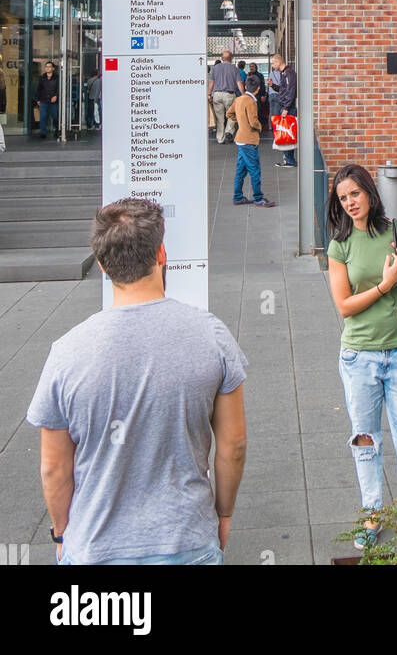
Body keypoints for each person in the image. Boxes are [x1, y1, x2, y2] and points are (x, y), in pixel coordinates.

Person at [26, 198, 248, 565]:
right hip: (187, 540)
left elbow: (54, 467)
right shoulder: (212, 337)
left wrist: (62, 532)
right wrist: (223, 515)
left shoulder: (65, 353)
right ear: (161, 253)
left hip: (95, 548)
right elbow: (233, 445)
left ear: (101, 265)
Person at [327, 163, 397, 549]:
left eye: (354, 194)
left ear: (369, 193)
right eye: (343, 198)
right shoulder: (339, 245)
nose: (350, 203)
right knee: (366, 439)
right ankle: (371, 515)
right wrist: (385, 285)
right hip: (359, 357)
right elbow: (344, 306)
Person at [231, 75, 275, 207]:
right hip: (249, 140)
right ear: (258, 88)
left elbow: (229, 113)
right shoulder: (251, 102)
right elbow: (253, 122)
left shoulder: (239, 99)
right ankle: (258, 198)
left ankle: (237, 197)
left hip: (240, 139)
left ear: (245, 86)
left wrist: (240, 122)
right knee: (255, 169)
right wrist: (260, 127)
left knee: (241, 170)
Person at [208, 50, 244, 145]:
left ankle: (220, 138)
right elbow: (239, 83)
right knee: (232, 114)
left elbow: (211, 83)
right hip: (229, 95)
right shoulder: (234, 69)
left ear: (222, 58)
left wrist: (209, 94)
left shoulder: (215, 68)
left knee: (220, 118)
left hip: (217, 95)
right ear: (231, 58)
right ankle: (229, 131)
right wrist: (243, 94)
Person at [268, 53, 297, 169]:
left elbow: (291, 91)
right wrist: (273, 86)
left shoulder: (288, 73)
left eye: (273, 63)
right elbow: (284, 90)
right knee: (286, 133)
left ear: (278, 62)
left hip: (287, 108)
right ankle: (288, 159)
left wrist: (286, 108)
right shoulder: (284, 73)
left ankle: (289, 160)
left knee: (286, 134)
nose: (272, 66)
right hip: (286, 106)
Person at [35, 61, 60, 139]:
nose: (47, 68)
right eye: (46, 67)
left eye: (49, 67)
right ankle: (43, 133)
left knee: (55, 116)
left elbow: (59, 88)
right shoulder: (42, 77)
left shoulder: (57, 77)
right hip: (43, 100)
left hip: (53, 101)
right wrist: (38, 99)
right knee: (43, 117)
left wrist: (56, 96)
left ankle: (57, 130)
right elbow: (39, 89)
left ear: (53, 68)